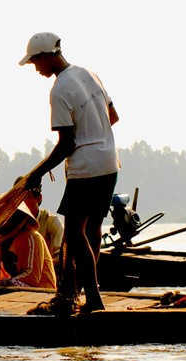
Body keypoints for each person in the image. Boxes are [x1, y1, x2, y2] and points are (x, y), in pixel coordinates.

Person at [19, 32, 119, 314]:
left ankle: (93, 300)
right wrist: (95, 133)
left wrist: (36, 173)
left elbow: (67, 144)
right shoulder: (89, 74)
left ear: (47, 55)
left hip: (86, 168)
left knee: (74, 235)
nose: (36, 68)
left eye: (36, 61)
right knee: (92, 230)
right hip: (109, 162)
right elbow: (113, 117)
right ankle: (74, 293)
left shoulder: (60, 90)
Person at [14, 175, 63, 266]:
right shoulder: (10, 224)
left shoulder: (51, 222)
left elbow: (59, 257)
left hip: (46, 276)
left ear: (38, 198)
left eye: (26, 197)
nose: (21, 202)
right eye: (18, 198)